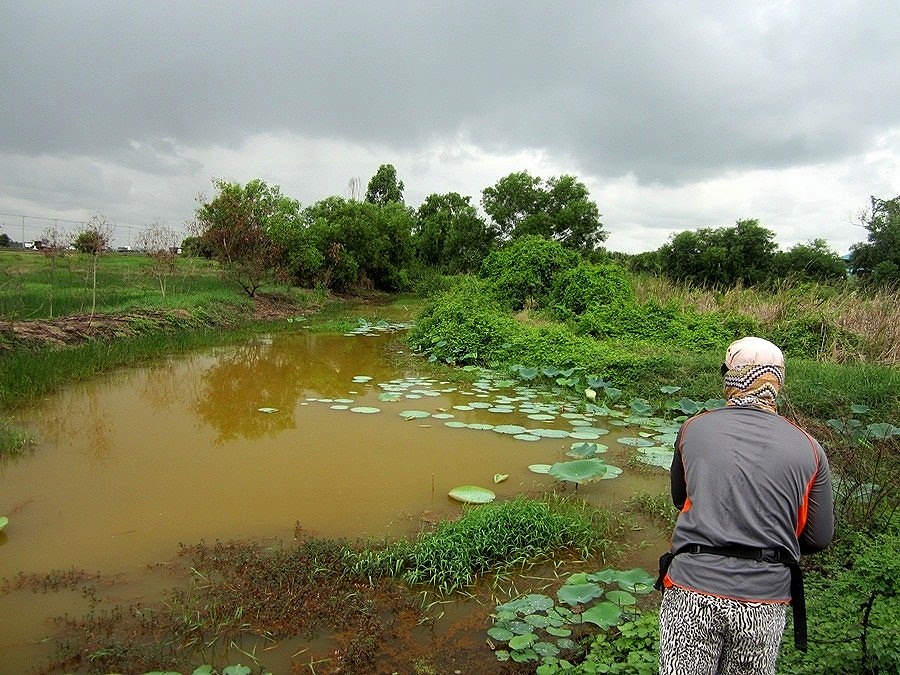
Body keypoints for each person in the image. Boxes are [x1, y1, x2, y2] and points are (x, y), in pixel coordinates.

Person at [656, 336, 834, 674]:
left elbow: (681, 499)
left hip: (692, 590)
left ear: (731, 377)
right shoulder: (810, 448)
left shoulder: (692, 428)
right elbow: (819, 538)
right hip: (764, 601)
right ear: (776, 382)